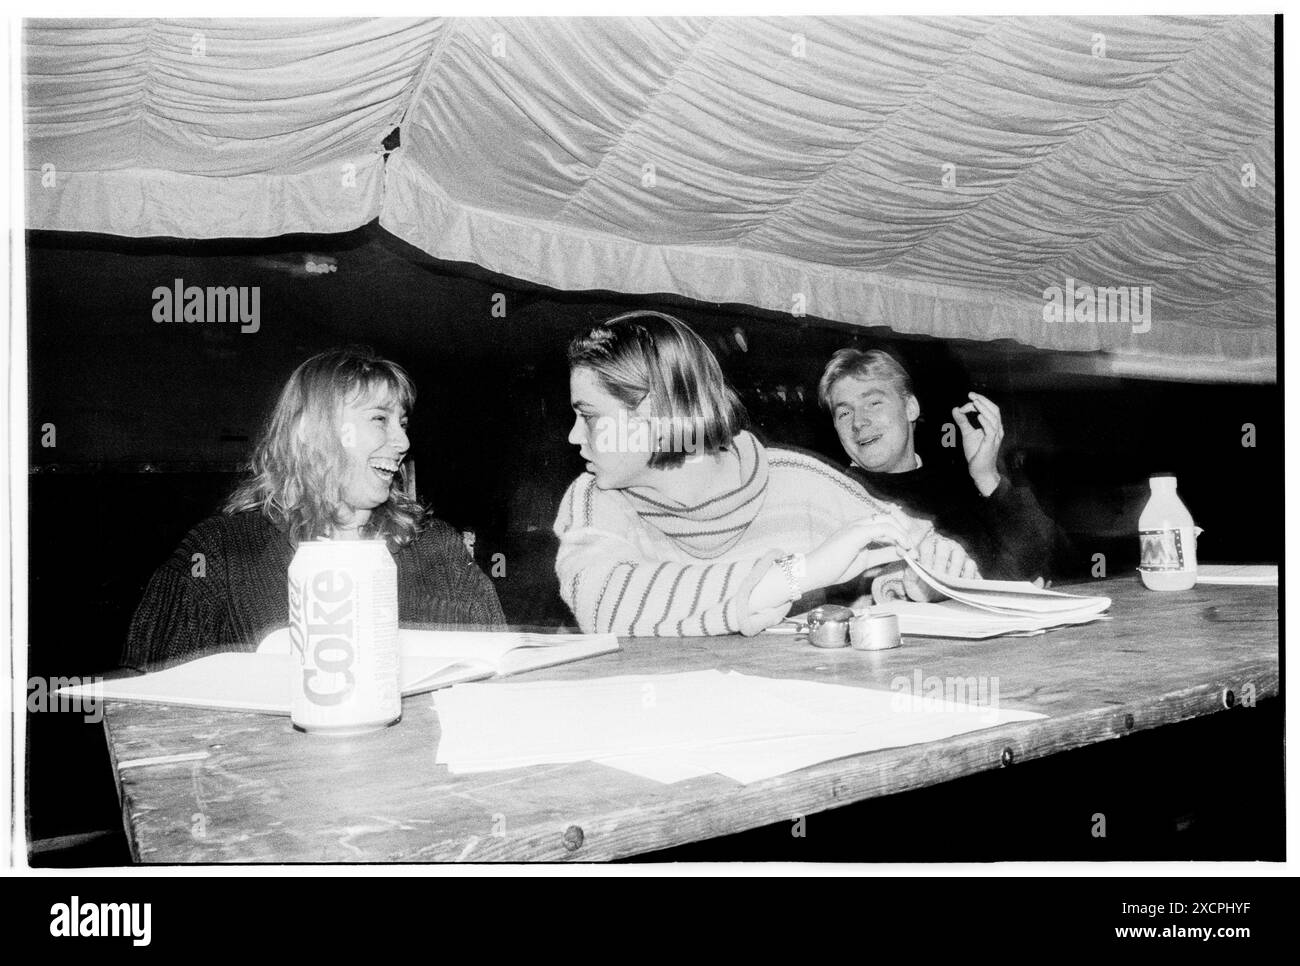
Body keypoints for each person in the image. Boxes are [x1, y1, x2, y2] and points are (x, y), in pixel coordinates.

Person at [553, 311, 978, 637]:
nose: (574, 436)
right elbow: (608, 602)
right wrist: (803, 573)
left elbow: (933, 558)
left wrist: (927, 581)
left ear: (653, 412)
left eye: (587, 416)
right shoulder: (593, 499)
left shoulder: (800, 481)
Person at [122, 347, 505, 672]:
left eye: (403, 423)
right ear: (309, 431)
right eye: (379, 419)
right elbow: (148, 701)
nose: (403, 440)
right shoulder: (219, 553)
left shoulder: (436, 547)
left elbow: (499, 673)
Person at [819, 348, 1057, 582]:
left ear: (911, 408)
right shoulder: (834, 501)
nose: (859, 422)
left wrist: (986, 474)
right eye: (844, 413)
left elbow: (1033, 564)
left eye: (873, 403)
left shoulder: (955, 488)